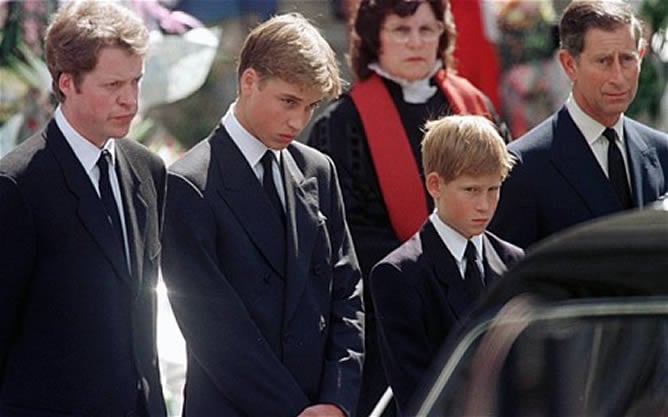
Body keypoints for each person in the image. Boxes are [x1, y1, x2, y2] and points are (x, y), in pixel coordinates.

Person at [306, 1, 509, 414]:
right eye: (401, 30)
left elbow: (502, 198)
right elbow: (346, 229)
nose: (416, 42)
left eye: (427, 28)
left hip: (479, 302)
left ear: (443, 33)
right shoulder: (344, 122)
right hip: (392, 317)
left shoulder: (475, 107)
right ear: (373, 37)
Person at [160, 13, 363, 417]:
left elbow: (347, 292)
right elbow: (214, 331)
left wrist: (337, 400)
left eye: (310, 106)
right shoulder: (188, 183)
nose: (298, 121)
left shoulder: (318, 170)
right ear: (249, 81)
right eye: (289, 101)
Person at [0, 1, 167, 416]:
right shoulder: (16, 186)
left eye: (136, 81)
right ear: (66, 83)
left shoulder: (148, 169)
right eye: (113, 85)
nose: (130, 99)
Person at [369, 115, 524, 415]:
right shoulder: (400, 274)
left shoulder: (513, 262)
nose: (485, 204)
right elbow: (417, 391)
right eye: (471, 190)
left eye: (493, 189)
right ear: (435, 184)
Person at [489, 0, 668, 249]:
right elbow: (510, 277)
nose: (618, 77)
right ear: (569, 64)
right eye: (604, 61)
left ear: (640, 56)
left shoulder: (662, 153)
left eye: (627, 59)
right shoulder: (523, 166)